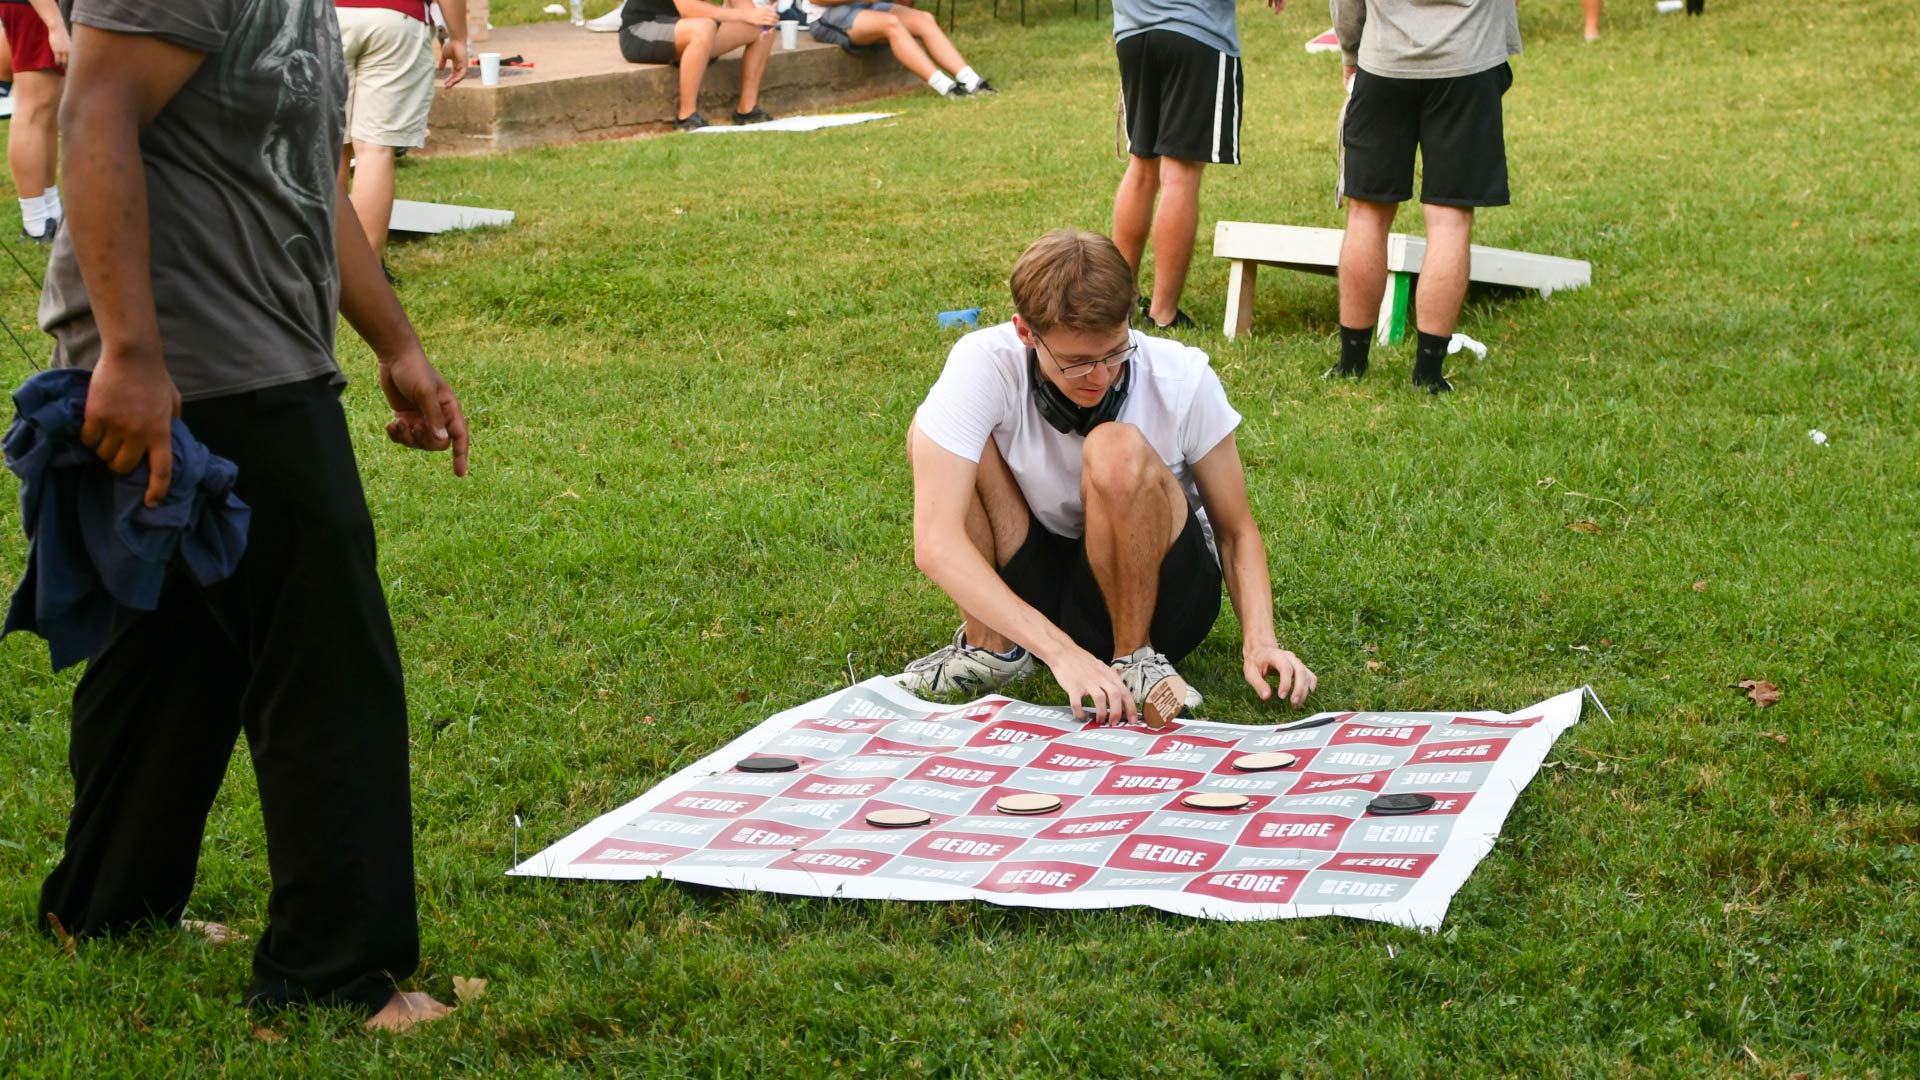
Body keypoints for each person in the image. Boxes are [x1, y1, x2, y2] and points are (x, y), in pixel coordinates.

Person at [37, 0, 470, 1033]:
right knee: (325, 655)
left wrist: (396, 344)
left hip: (254, 349)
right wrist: (130, 356)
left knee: (178, 641)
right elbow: (94, 117)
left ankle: (106, 903)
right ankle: (335, 972)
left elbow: (303, 180)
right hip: (199, 362)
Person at [896, 230, 1316, 726]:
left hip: (1166, 595)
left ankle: (1136, 656)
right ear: (1026, 332)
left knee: (1114, 447)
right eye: (1076, 362)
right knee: (934, 435)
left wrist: (1261, 642)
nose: (1100, 375)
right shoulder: (983, 363)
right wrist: (1061, 653)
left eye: (1115, 352)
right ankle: (994, 650)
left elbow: (1236, 530)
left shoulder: (1183, 376)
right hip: (1046, 580)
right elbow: (936, 541)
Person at [1330, 0, 1520, 392]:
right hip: (1469, 60)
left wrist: (1351, 50)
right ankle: (1429, 375)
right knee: (1449, 219)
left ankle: (1351, 364)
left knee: (1366, 212)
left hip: (1383, 61)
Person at [1110, 0, 1282, 331]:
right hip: (1195, 31)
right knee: (1180, 177)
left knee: (1142, 170)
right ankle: (1163, 314)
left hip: (1132, 33)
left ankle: (1118, 305)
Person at [336, 0, 467, 264]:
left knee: (328, 145)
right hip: (397, 17)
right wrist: (458, 38)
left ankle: (320, 267)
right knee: (375, 149)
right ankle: (363, 275)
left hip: (324, 18)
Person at [619, 0, 778, 131]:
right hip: (641, 30)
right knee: (703, 27)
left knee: (762, 28)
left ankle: (747, 111)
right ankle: (686, 116)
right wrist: (743, 15)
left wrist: (763, 15)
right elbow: (689, 8)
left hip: (686, 28)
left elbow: (747, 10)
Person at [803, 0, 993, 100]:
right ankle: (947, 88)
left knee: (923, 19)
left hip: (867, 7)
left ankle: (973, 82)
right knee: (891, 23)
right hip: (826, 17)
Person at [0, 0, 66, 243]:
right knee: (32, 110)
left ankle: (50, 210)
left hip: (44, 10)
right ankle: (35, 223)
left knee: (46, 113)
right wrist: (54, 23)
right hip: (37, 9)